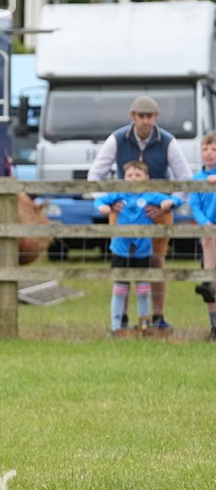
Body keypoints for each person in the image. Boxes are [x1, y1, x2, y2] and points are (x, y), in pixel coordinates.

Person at [87, 95, 191, 330]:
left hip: (158, 211)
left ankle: (156, 317)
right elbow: (95, 176)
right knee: (122, 264)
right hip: (123, 211)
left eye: (150, 116)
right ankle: (121, 319)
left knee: (157, 262)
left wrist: (171, 203)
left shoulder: (167, 141)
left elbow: (186, 179)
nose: (145, 121)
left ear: (156, 117)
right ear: (132, 116)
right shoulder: (117, 139)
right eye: (141, 116)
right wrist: (105, 201)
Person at [95, 160, 176, 335]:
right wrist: (104, 207)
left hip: (143, 250)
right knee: (119, 288)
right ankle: (116, 326)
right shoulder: (119, 195)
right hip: (120, 249)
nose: (133, 178)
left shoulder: (150, 196)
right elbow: (100, 200)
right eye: (130, 175)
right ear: (124, 178)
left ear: (146, 178)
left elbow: (172, 199)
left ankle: (143, 324)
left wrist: (166, 204)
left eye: (138, 175)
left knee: (143, 289)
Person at [191, 133, 216, 340]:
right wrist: (204, 223)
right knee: (211, 285)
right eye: (206, 150)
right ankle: (214, 325)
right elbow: (195, 205)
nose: (209, 154)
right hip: (206, 233)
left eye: (214, 150)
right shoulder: (196, 179)